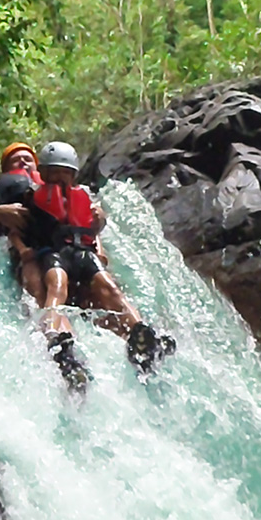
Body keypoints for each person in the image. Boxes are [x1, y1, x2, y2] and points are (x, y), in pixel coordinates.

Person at [29, 141, 175, 377]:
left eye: (65, 173)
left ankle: (140, 332)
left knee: (111, 288)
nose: (59, 178)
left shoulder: (83, 199)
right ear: (43, 174)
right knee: (57, 287)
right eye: (53, 173)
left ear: (73, 176)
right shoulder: (33, 197)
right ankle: (53, 335)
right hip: (54, 253)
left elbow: (93, 231)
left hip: (82, 254)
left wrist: (99, 222)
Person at [0, 142, 45, 304]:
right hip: (20, 254)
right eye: (16, 160)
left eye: (28, 159)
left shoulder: (53, 190)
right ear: (6, 170)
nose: (23, 162)